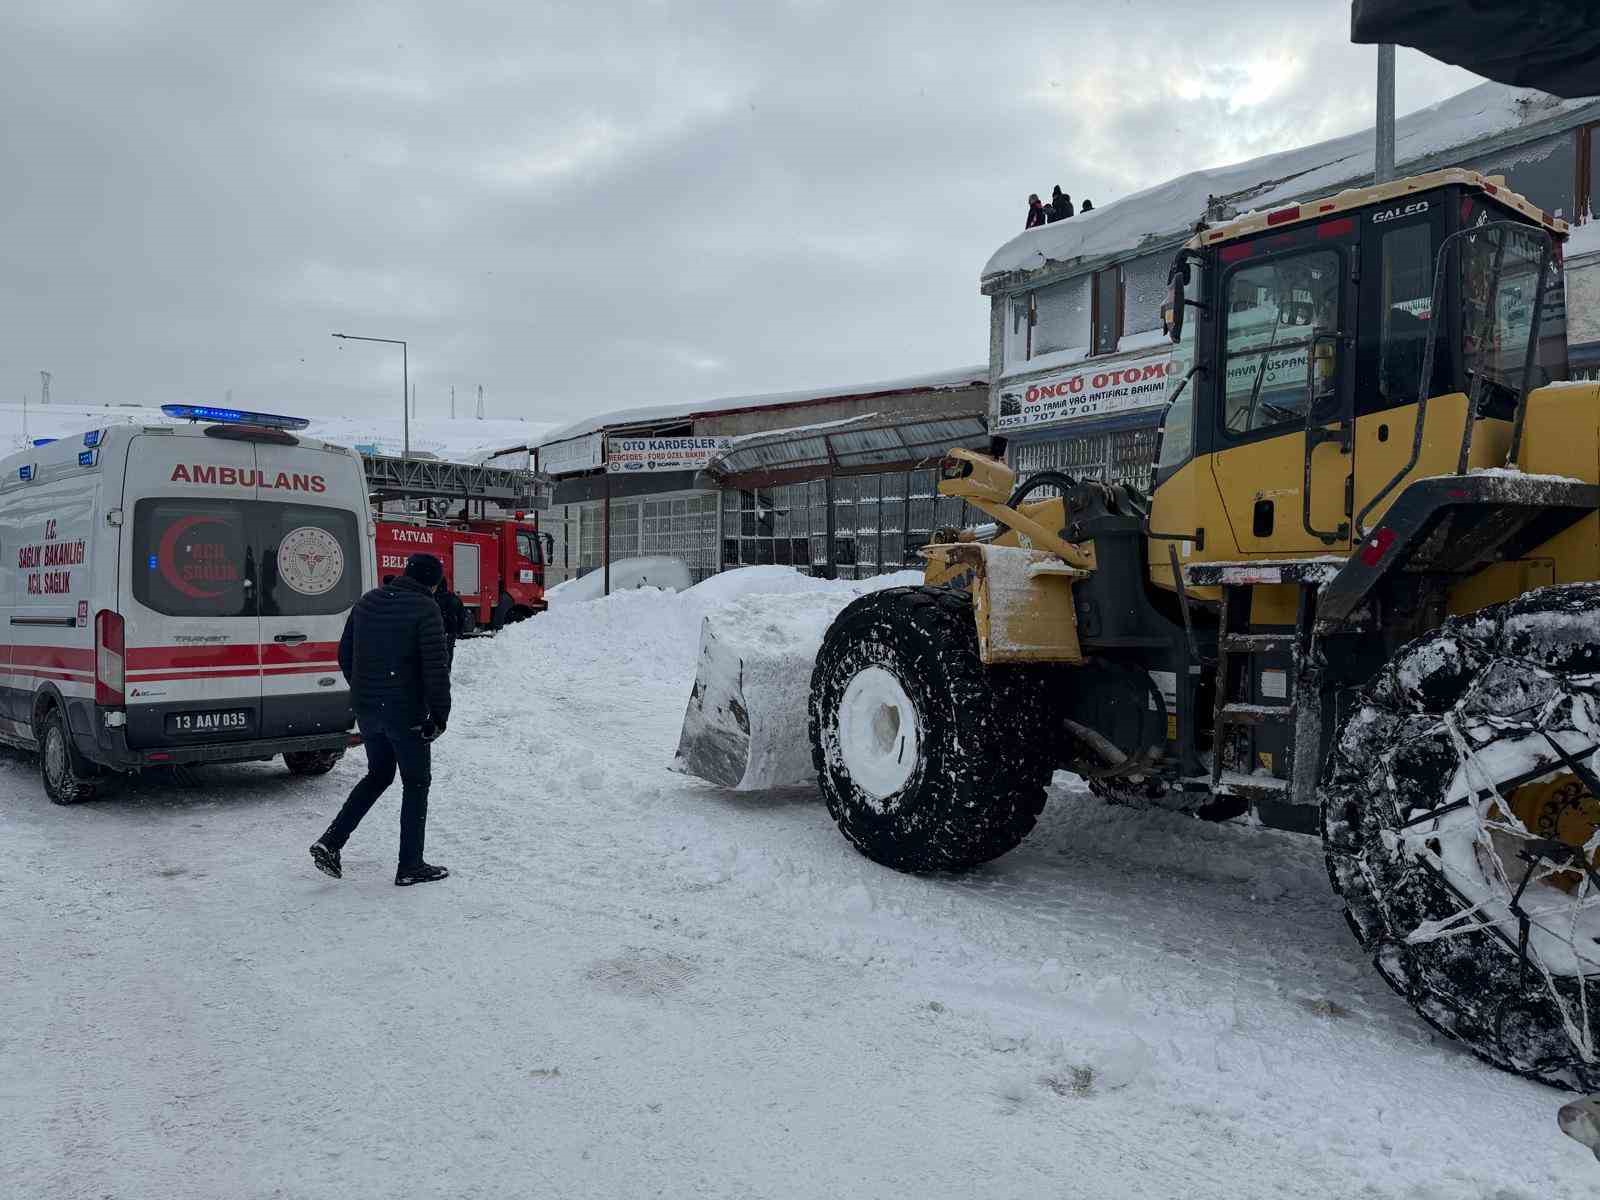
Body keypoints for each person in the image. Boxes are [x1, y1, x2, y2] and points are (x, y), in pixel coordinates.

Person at [310, 553, 453, 887]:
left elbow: (344, 654)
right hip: (406, 713)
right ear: (432, 581)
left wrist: (366, 692)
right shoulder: (425, 608)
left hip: (368, 709)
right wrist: (440, 716)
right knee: (416, 782)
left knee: (378, 775)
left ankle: (331, 842)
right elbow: (436, 668)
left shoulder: (367, 602)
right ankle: (410, 865)